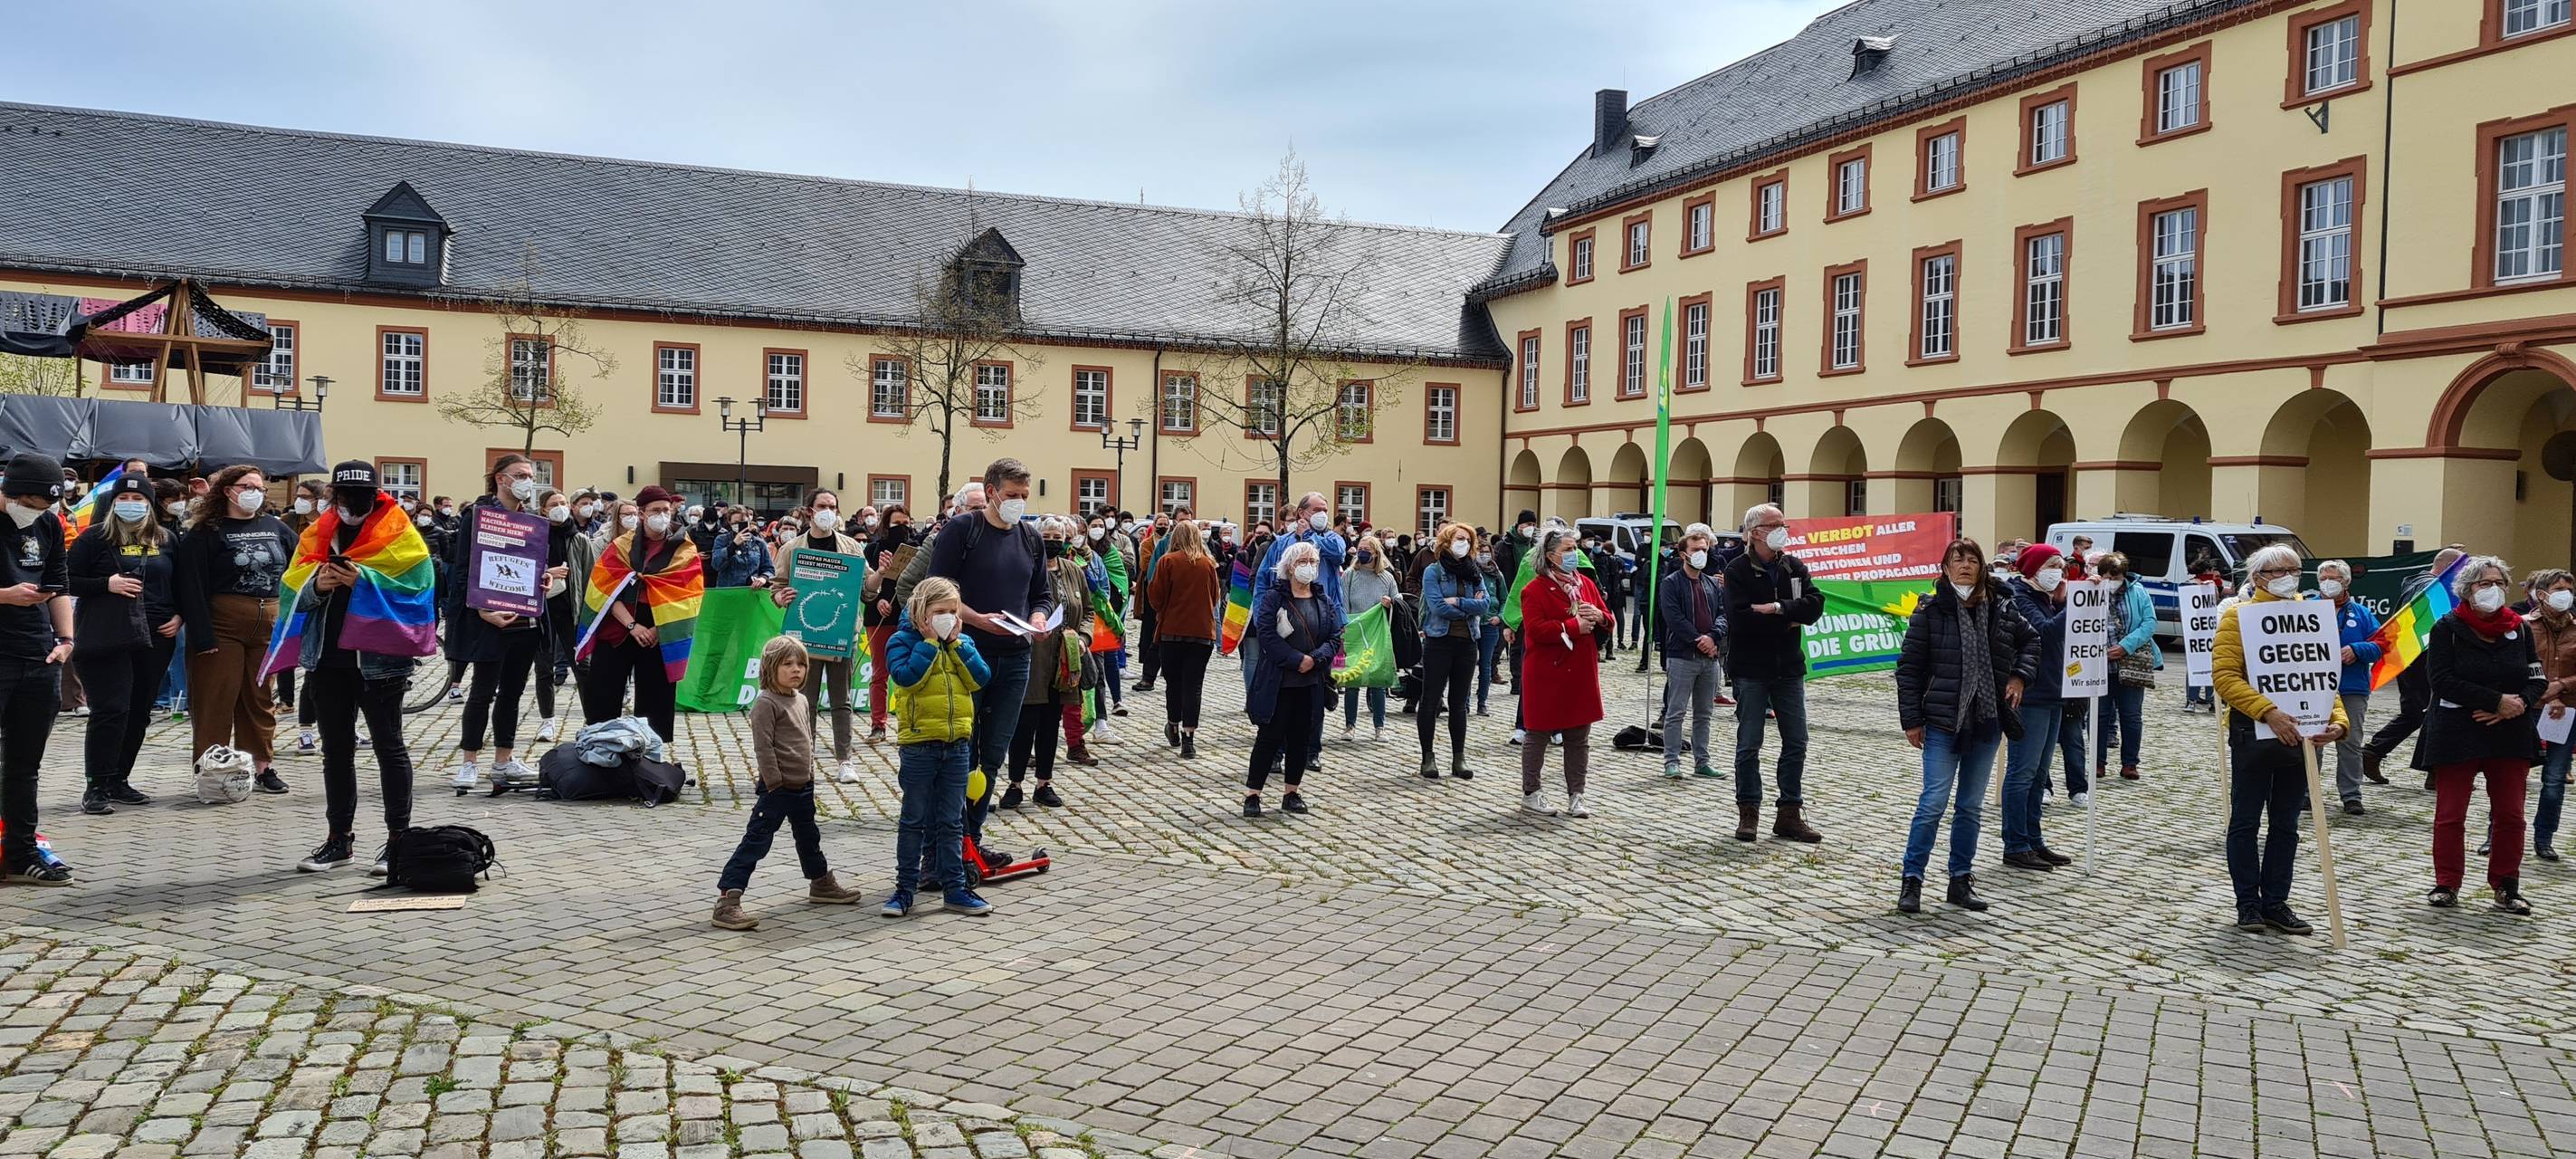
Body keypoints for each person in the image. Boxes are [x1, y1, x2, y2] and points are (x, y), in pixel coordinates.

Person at [281, 462, 436, 876]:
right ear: (333, 495)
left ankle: (397, 840)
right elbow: (290, 584)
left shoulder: (400, 532)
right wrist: (317, 586)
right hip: (327, 658)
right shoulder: (317, 533)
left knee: (389, 747)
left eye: (363, 496)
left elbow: (418, 589)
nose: (354, 505)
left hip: (380, 662)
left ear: (377, 495)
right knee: (336, 752)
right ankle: (339, 840)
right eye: (346, 497)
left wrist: (361, 582)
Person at [2212, 544, 2351, 934]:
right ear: (2257, 578)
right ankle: (2248, 904)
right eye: (2279, 571)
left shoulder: (2311, 615)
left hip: (2302, 737)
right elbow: (2224, 677)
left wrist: (2338, 722)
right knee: (2245, 821)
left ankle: (2276, 902)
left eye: (2294, 569)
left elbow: (2324, 679)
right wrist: (2267, 711)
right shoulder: (2238, 618)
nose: (2290, 576)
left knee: (2286, 824)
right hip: (2253, 734)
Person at [1895, 538, 2038, 915]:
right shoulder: (1929, 611)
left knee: (1970, 807)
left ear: (1982, 567)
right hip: (1943, 721)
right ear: (1944, 568)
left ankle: (1960, 879)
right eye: (1957, 560)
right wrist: (1911, 719)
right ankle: (1912, 880)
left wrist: (2019, 677)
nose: (1965, 566)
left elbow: (2031, 641)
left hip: (1987, 720)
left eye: (1972, 560)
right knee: (1933, 803)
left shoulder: (2001, 608)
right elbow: (1908, 670)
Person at [925, 460, 1054, 857]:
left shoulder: (1031, 538)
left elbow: (1042, 595)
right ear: (991, 491)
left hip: (1016, 658)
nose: (1017, 503)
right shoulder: (963, 531)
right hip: (968, 654)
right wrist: (978, 619)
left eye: (1024, 497)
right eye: (1011, 495)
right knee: (963, 751)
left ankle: (972, 842)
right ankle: (945, 845)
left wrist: (1037, 617)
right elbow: (935, 592)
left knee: (993, 756)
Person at [711, 635, 868, 929]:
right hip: (777, 788)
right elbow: (764, 747)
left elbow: (806, 740)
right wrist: (774, 781)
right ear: (770, 668)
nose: (796, 669)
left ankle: (821, 882)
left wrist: (809, 775)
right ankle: (728, 899)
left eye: (801, 664)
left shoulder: (802, 700)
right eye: (787, 664)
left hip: (802, 786)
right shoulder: (766, 703)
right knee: (757, 841)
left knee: (809, 837)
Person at [2416, 556, 2541, 915]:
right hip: (2458, 731)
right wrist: (2494, 700)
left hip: (2510, 734)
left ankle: (2506, 885)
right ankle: (2446, 883)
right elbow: (2441, 680)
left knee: (2511, 815)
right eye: (2485, 583)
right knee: (2451, 814)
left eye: (2499, 582)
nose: (2494, 589)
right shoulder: (2447, 628)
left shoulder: (2519, 628)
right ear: (2467, 590)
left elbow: (2537, 678)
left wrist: (2517, 704)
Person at [446, 455, 570, 794]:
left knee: (513, 694)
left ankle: (504, 759)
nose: (528, 481)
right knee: (482, 692)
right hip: (490, 620)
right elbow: (465, 569)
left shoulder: (532, 520)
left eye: (531, 475)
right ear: (501, 479)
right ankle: (469, 762)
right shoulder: (478, 516)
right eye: (521, 475)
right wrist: (480, 610)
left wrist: (543, 580)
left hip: (525, 621)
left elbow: (529, 566)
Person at [177, 465, 295, 795]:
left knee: (259, 699)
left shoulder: (276, 527)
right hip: (222, 623)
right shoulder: (206, 532)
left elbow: (299, 565)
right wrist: (202, 636)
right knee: (216, 697)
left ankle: (263, 767)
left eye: (259, 486)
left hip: (267, 623)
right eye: (247, 486)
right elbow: (191, 586)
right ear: (228, 490)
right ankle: (213, 769)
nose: (255, 492)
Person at [883, 577, 994, 917]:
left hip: (957, 745)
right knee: (914, 819)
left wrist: (958, 644)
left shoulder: (964, 642)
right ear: (921, 613)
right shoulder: (902, 641)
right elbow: (907, 678)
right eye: (939, 612)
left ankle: (955, 888)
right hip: (919, 745)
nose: (947, 617)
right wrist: (930, 644)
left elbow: (980, 677)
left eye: (952, 611)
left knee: (951, 821)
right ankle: (905, 889)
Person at [70, 475, 176, 815]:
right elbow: (66, 579)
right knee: (111, 710)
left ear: (149, 503)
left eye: (138, 497)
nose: (132, 502)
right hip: (107, 634)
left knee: (139, 711)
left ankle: (119, 779)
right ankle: (96, 785)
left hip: (156, 636)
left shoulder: (167, 539)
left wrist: (181, 615)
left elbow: (184, 581)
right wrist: (106, 584)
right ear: (114, 502)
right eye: (125, 496)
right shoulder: (94, 538)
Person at [1722, 503, 1824, 842]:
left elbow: (1815, 606)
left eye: (1785, 524)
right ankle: (1748, 811)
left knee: (1797, 741)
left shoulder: (1793, 567)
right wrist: (1788, 620)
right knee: (1749, 743)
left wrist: (1779, 609)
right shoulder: (1737, 570)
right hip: (1751, 669)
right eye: (1775, 525)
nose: (1784, 530)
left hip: (1789, 668)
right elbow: (1741, 620)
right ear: (1755, 533)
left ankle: (1789, 813)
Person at [576, 485, 703, 747]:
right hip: (619, 626)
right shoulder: (620, 547)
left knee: (657, 698)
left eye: (666, 510)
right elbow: (604, 590)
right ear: (642, 513)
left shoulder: (684, 550)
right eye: (656, 510)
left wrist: (657, 629)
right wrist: (633, 626)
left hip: (662, 627)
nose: (662, 515)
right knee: (603, 693)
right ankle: (600, 749)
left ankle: (652, 755)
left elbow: (690, 596)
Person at [765, 489, 866, 781]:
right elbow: (777, 587)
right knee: (804, 700)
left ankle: (844, 760)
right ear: (810, 511)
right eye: (822, 506)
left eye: (833, 507)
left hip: (842, 634)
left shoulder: (850, 547)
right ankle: (803, 758)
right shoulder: (793, 548)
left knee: (841, 700)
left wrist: (881, 574)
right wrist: (781, 597)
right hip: (804, 639)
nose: (828, 511)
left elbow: (866, 589)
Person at [1516, 528, 1609, 818]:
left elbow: (1608, 617)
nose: (1574, 554)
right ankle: (1531, 792)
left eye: (1575, 548)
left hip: (1580, 671)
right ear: (1550, 556)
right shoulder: (1534, 589)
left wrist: (1600, 617)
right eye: (1567, 550)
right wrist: (1572, 628)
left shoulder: (1586, 584)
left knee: (1578, 737)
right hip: (1547, 671)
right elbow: (1535, 630)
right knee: (1539, 733)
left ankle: (1577, 795)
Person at [1245, 541, 1341, 818]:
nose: (1309, 567)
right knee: (1270, 737)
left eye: (1313, 562)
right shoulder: (1275, 598)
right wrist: (1295, 660)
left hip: (1310, 681)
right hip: (1279, 680)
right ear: (1289, 566)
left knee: (1301, 737)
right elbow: (1266, 634)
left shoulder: (1322, 599)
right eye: (1303, 562)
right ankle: (1253, 794)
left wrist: (1315, 659)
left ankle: (1292, 792)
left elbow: (1334, 636)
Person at [1999, 544, 2077, 873]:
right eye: (2052, 565)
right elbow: (2042, 633)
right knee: (2023, 772)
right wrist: (2071, 608)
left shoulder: (2045, 598)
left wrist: (2060, 603)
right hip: (2030, 696)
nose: (2058, 571)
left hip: (2054, 693)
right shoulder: (2019, 597)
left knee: (2040, 774)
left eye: (2061, 565)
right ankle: (2015, 843)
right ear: (2032, 568)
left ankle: (2033, 839)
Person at [2364, 546, 2467, 779]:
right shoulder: (2427, 588)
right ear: (2450, 569)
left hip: (2421, 659)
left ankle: (2432, 770)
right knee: (2419, 712)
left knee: (2428, 712)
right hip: (2418, 659)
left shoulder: (2422, 584)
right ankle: (2374, 751)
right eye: (2462, 569)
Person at [1008, 521, 1092, 800]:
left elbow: (1088, 610)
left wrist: (1083, 637)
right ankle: (1015, 784)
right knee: (1024, 724)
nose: (1053, 541)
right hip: (1032, 657)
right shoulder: (1027, 568)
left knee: (1050, 724)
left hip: (1065, 661)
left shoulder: (1073, 571)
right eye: (1046, 537)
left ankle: (1044, 782)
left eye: (1058, 537)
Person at [1416, 522, 1487, 780]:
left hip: (1467, 641)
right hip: (1439, 641)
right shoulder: (1433, 572)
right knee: (1430, 700)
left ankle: (1459, 757)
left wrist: (1458, 602)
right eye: (1460, 539)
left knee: (1459, 703)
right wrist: (1471, 606)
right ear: (1447, 542)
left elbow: (1486, 604)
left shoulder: (1474, 572)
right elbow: (1437, 607)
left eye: (1468, 540)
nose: (1464, 544)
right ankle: (1428, 757)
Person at [1145, 519, 1221, 761]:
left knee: (1174, 683)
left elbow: (1155, 598)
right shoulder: (1208, 564)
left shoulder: (1167, 562)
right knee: (1194, 685)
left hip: (1172, 632)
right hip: (1202, 634)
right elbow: (1216, 596)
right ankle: (1189, 738)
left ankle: (1174, 726)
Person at [1657, 526, 1728, 781]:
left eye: (1705, 550)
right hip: (1682, 656)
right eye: (1696, 550)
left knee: (1704, 713)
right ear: (1683, 554)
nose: (1701, 554)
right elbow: (1674, 618)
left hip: (1709, 659)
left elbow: (1722, 613)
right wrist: (1699, 639)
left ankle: (1702, 761)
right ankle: (1672, 761)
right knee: (1676, 712)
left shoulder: (1711, 583)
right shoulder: (1671, 583)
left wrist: (1713, 636)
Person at [2319, 560, 2383, 815]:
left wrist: (2357, 650)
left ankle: (2351, 795)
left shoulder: (2362, 614)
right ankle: (2304, 791)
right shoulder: (2305, 608)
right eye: (2323, 578)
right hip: (2314, 687)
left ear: (2345, 582)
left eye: (2332, 578)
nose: (2327, 583)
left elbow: (2380, 646)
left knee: (2350, 742)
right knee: (2314, 740)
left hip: (2351, 687)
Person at [2091, 552, 2161, 783]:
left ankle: (2130, 763)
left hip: (2130, 661)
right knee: (2099, 715)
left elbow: (2149, 622)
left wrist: (2125, 646)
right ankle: (2097, 762)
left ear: (2124, 576)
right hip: (2099, 663)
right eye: (2107, 576)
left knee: (2131, 715)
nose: (2111, 580)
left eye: (2116, 576)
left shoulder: (2138, 592)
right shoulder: (2091, 591)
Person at [2527, 569, 2576, 862]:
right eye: (2559, 588)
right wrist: (2548, 693)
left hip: (2565, 714)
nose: (2565, 594)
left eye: (2569, 589)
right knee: (2511, 776)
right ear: (2542, 594)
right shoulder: (2522, 627)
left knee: (2555, 779)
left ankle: (2544, 838)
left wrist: (2561, 687)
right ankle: (2495, 836)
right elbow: (2514, 666)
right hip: (2526, 710)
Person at [861, 503, 915, 743]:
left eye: (905, 523)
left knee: (910, 673)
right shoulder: (873, 550)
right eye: (896, 524)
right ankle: (878, 725)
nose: (902, 528)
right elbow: (866, 585)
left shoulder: (917, 550)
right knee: (880, 674)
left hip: (908, 617)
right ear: (886, 525)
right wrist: (879, 601)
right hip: (879, 617)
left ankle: (908, 724)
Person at [1339, 536, 1398, 743]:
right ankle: (1349, 726)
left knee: (1377, 681)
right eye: (1360, 549)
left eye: (1367, 549)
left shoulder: (1387, 578)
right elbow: (1343, 605)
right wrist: (1343, 631)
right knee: (1352, 680)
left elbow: (1398, 603)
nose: (1362, 552)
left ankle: (1379, 727)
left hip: (1377, 635)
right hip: (1355, 633)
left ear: (1376, 553)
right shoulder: (1349, 575)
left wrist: (1390, 603)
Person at [538, 488, 581, 712]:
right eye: (554, 504)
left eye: (563, 503)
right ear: (544, 510)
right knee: (544, 667)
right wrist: (547, 572)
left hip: (569, 608)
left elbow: (590, 573)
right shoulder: (535, 536)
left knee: (581, 663)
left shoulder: (578, 538)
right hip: (541, 607)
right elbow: (524, 569)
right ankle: (548, 718)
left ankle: (592, 717)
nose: (559, 508)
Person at [2182, 553, 2226, 712]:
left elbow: (2216, 598)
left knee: (2210, 664)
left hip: (2208, 630)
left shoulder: (2211, 584)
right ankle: (2193, 699)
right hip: (2195, 631)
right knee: (2196, 664)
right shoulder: (2190, 585)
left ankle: (2210, 699)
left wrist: (2212, 586)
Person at [1474, 533, 1507, 717]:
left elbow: (1504, 599)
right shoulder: (1470, 571)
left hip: (1490, 624)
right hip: (1472, 622)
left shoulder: (1497, 574)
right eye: (1480, 552)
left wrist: (1500, 617)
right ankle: (1464, 702)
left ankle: (1482, 701)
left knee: (1486, 665)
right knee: (1468, 664)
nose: (1484, 555)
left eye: (1487, 552)